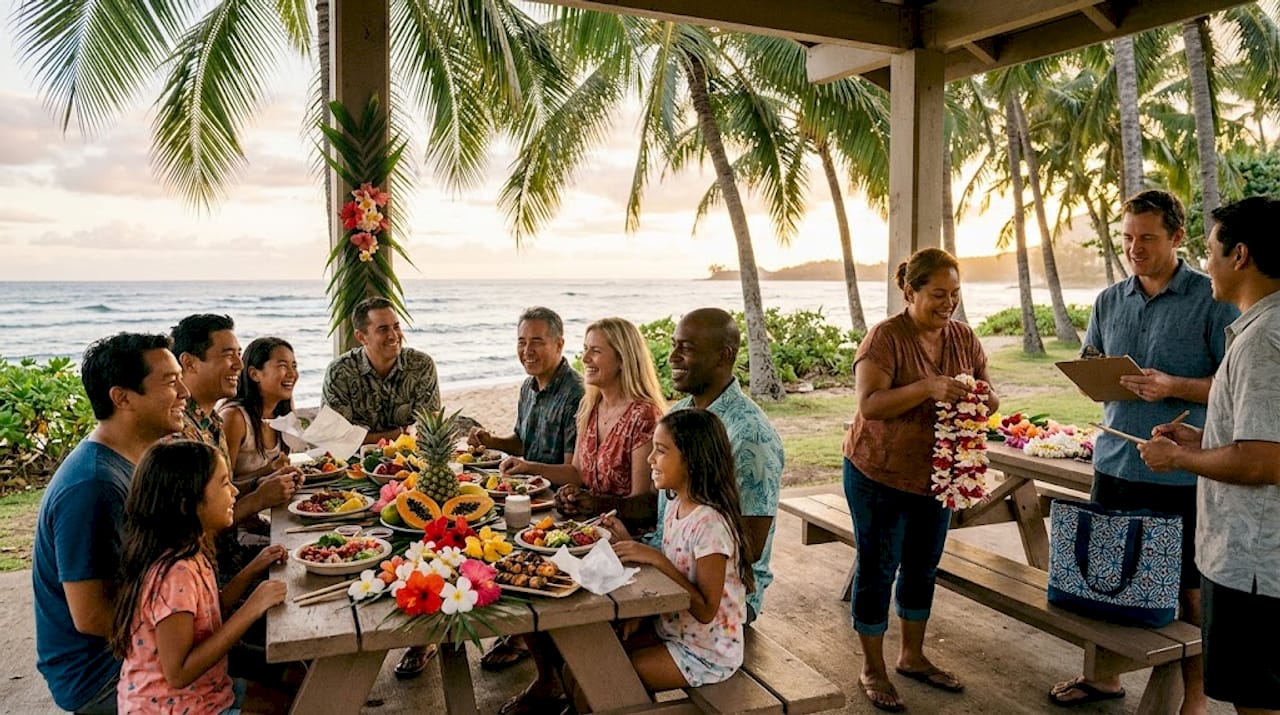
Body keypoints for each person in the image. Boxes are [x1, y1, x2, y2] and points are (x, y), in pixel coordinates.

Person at [1050, 190, 1236, 711]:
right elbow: (1092, 362)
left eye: (1148, 238)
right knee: (1105, 576)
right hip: (1115, 462)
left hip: (1183, 472)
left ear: (1177, 237)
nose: (1135, 248)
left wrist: (1172, 385)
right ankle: (1104, 677)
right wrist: (1091, 375)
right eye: (1128, 237)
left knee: (1191, 594)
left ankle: (1195, 701)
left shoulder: (1212, 298)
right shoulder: (1109, 300)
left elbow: (1231, 387)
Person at [1138, 196, 1280, 715]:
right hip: (1258, 561)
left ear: (1240, 255)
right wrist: (1202, 439)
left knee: (1257, 702)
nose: (1206, 263)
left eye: (1211, 250)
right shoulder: (1261, 329)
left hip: (1254, 564)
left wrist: (1177, 460)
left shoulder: (1263, 340)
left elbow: (1264, 461)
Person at [844, 248, 999, 712]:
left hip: (937, 477)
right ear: (909, 293)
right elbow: (870, 404)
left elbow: (991, 394)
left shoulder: (963, 337)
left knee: (922, 566)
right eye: (938, 294)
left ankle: (912, 656)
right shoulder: (885, 338)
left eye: (955, 293)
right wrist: (928, 388)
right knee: (877, 569)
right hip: (878, 473)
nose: (948, 303)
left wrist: (983, 397)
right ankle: (872, 668)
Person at [33, 333, 189, 714]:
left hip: (147, 643)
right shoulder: (92, 485)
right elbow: (92, 615)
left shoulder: (135, 460)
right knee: (279, 698)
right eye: (171, 382)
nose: (185, 392)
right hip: (104, 675)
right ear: (122, 398)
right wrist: (197, 634)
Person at [110, 440, 288, 715]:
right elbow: (178, 673)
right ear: (186, 504)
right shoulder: (174, 573)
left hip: (205, 692)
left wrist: (252, 569)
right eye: (224, 484)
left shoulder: (190, 548)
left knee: (293, 698)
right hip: (172, 707)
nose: (235, 491)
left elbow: (208, 611)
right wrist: (252, 608)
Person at [597, 409, 754, 697]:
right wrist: (626, 539)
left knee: (603, 679)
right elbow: (676, 567)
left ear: (692, 460)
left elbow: (706, 610)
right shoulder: (675, 505)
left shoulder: (710, 525)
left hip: (707, 653)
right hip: (671, 630)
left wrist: (655, 558)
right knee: (585, 665)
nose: (650, 459)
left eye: (661, 450)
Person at [642, 307, 784, 626]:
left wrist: (658, 566)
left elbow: (749, 546)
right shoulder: (681, 413)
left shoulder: (750, 436)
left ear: (724, 356)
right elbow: (666, 508)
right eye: (674, 345)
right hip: (673, 564)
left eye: (687, 348)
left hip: (722, 600)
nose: (672, 357)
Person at [468, 307, 584, 673]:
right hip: (526, 492)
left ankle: (529, 640)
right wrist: (492, 441)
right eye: (521, 341)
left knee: (508, 549)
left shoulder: (576, 393)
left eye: (537, 341)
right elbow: (521, 442)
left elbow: (574, 471)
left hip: (559, 503)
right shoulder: (528, 386)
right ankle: (519, 627)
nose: (527, 351)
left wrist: (529, 467)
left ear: (559, 344)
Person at [515, 317, 665, 527]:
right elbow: (577, 473)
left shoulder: (644, 416)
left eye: (595, 351)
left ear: (622, 359)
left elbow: (642, 503)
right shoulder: (590, 406)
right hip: (586, 525)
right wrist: (529, 469)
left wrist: (594, 504)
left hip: (623, 533)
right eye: (585, 349)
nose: (585, 359)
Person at [172, 315, 301, 526]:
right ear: (189, 363)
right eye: (228, 354)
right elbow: (196, 526)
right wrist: (258, 498)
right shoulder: (178, 433)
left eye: (239, 354)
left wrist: (263, 480)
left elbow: (226, 488)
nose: (239, 365)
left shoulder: (211, 421)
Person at [322, 296, 441, 444]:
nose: (393, 335)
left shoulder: (421, 365)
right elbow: (335, 438)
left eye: (396, 327)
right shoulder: (339, 371)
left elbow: (429, 429)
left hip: (411, 456)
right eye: (383, 329)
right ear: (361, 337)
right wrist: (402, 432)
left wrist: (363, 438)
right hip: (354, 459)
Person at [219, 337, 297, 485]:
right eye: (282, 366)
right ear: (254, 374)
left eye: (294, 366)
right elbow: (221, 485)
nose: (292, 374)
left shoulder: (281, 413)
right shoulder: (235, 418)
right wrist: (268, 471)